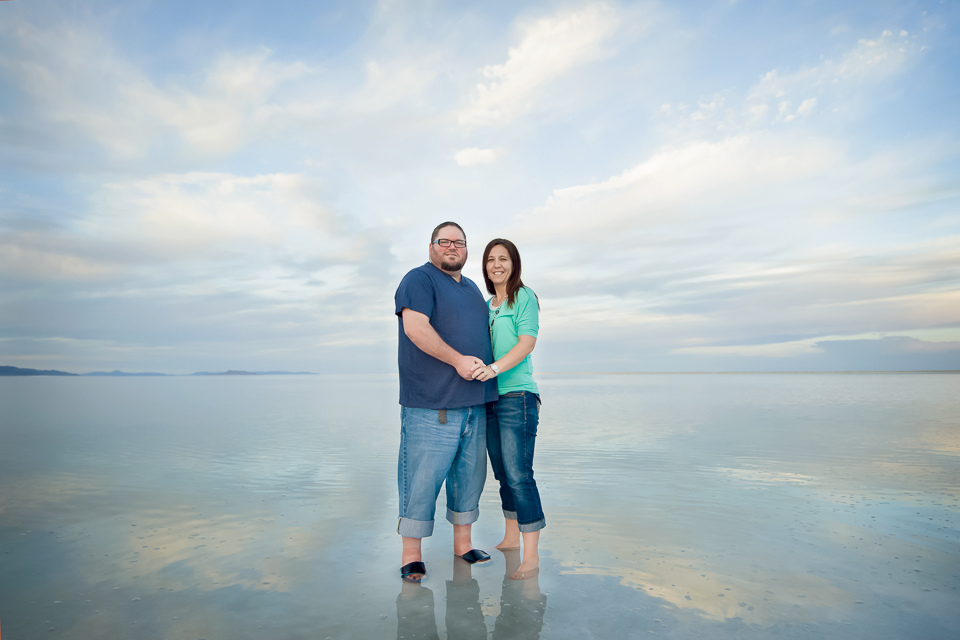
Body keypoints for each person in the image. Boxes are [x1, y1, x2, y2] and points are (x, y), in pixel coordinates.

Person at [394, 221, 499, 582]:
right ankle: (411, 556)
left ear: (467, 251)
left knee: (469, 479)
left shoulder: (471, 289)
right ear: (431, 247)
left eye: (460, 242)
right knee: (421, 479)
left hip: (475, 402)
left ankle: (463, 545)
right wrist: (457, 360)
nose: (453, 247)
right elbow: (415, 328)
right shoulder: (418, 280)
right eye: (445, 241)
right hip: (431, 403)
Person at [471, 238, 544, 580]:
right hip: (490, 399)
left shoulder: (523, 297)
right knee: (502, 474)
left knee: (519, 475)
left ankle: (531, 556)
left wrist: (495, 369)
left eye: (503, 259)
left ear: (514, 264)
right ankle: (511, 538)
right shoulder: (487, 305)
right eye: (490, 260)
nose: (496, 264)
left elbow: (526, 343)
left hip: (518, 397)